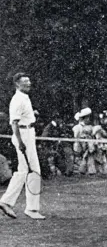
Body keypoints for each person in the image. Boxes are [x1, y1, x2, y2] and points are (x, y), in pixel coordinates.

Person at [0, 73, 45, 220]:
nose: (29, 83)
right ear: (17, 84)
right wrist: (20, 143)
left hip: (28, 134)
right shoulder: (17, 99)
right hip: (23, 136)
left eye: (29, 80)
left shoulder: (24, 98)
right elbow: (14, 123)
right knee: (33, 171)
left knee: (24, 171)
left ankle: (7, 202)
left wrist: (33, 114)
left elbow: (23, 116)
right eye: (25, 82)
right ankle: (30, 208)